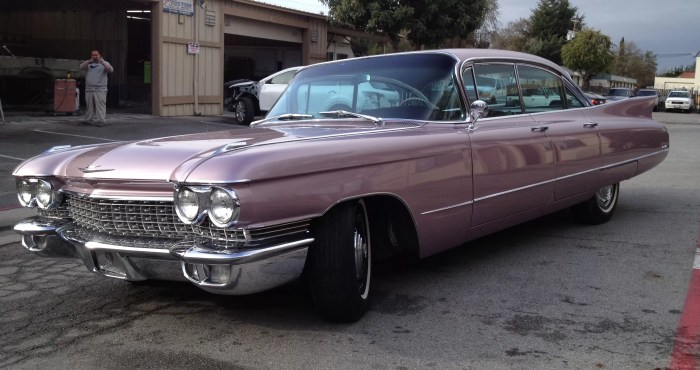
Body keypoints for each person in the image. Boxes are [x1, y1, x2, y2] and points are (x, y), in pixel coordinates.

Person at [80, 50, 113, 127]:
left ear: (100, 55)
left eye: (96, 55)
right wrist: (88, 61)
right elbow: (81, 67)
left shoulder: (105, 63)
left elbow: (110, 70)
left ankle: (101, 120)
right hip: (89, 89)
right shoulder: (89, 64)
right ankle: (88, 120)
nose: (94, 56)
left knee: (100, 106)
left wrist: (102, 62)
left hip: (100, 89)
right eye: (93, 55)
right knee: (89, 106)